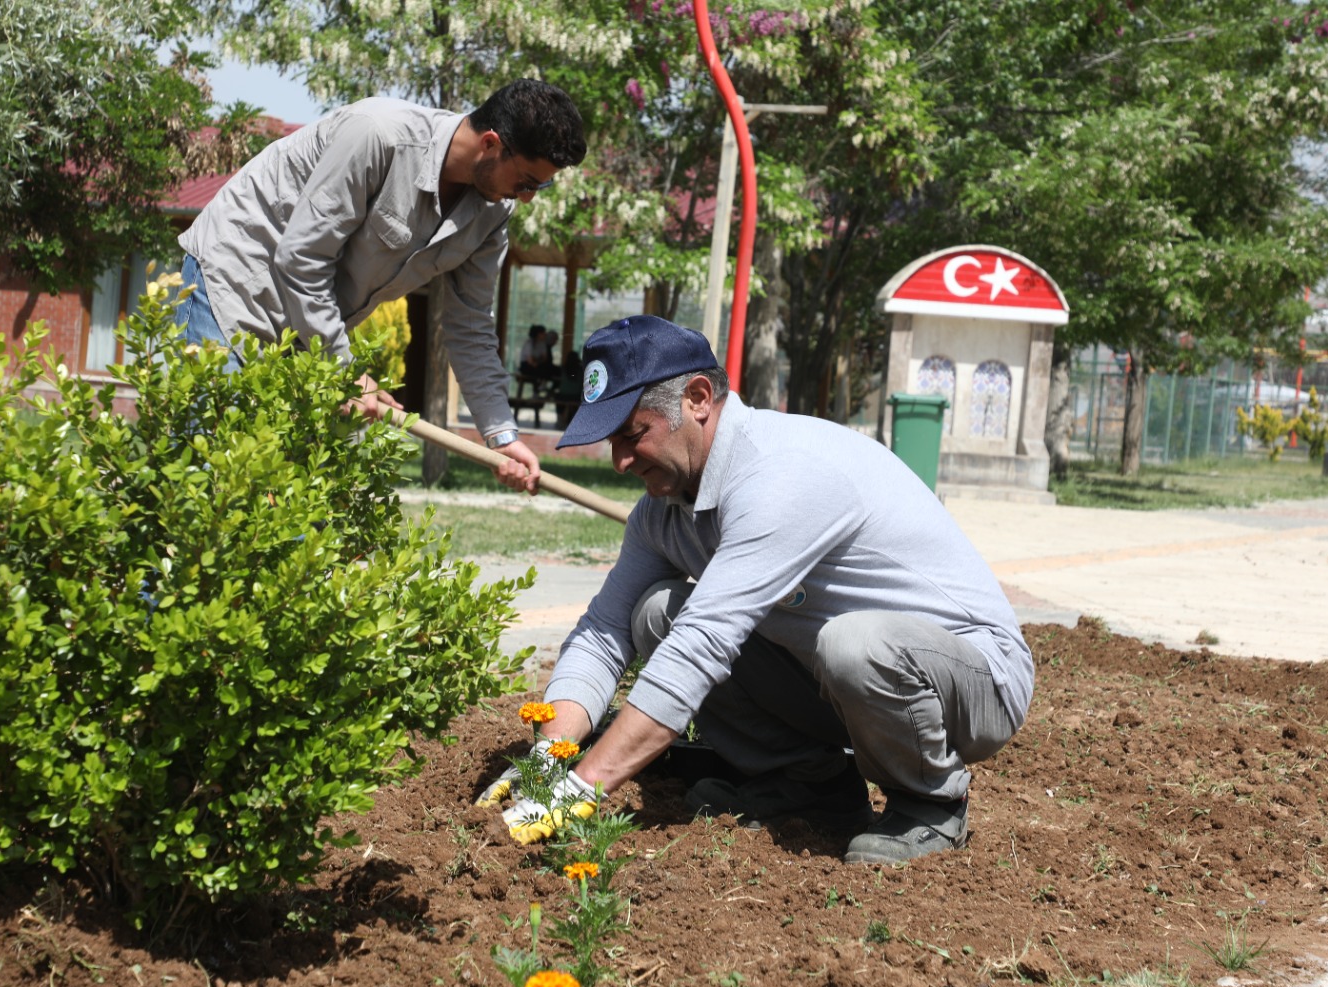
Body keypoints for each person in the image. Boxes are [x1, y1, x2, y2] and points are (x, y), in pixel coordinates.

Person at [477, 315, 1034, 864]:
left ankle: (929, 801)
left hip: (973, 681)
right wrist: (551, 755)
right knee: (655, 613)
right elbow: (603, 632)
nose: (621, 461)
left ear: (698, 398)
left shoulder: (780, 476)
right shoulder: (665, 512)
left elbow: (703, 646)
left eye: (633, 434)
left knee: (854, 642)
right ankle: (811, 784)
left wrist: (583, 787)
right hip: (843, 685)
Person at [174, 80, 587, 493]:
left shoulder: (493, 212)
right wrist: (345, 371)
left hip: (304, 327)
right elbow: (302, 258)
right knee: (211, 484)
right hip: (232, 285)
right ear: (491, 144)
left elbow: (471, 327)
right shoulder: (379, 135)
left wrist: (503, 436)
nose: (528, 197)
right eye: (528, 181)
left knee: (307, 496)